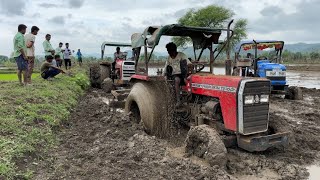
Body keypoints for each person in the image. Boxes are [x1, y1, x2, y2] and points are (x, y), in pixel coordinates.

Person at [163, 42, 191, 107]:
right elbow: (165, 67)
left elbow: (189, 64)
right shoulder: (169, 58)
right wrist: (164, 75)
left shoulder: (181, 55)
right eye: (168, 51)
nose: (169, 53)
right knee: (176, 79)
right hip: (175, 75)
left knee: (187, 80)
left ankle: (189, 96)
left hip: (183, 73)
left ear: (174, 50)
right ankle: (178, 100)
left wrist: (188, 73)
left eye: (170, 51)